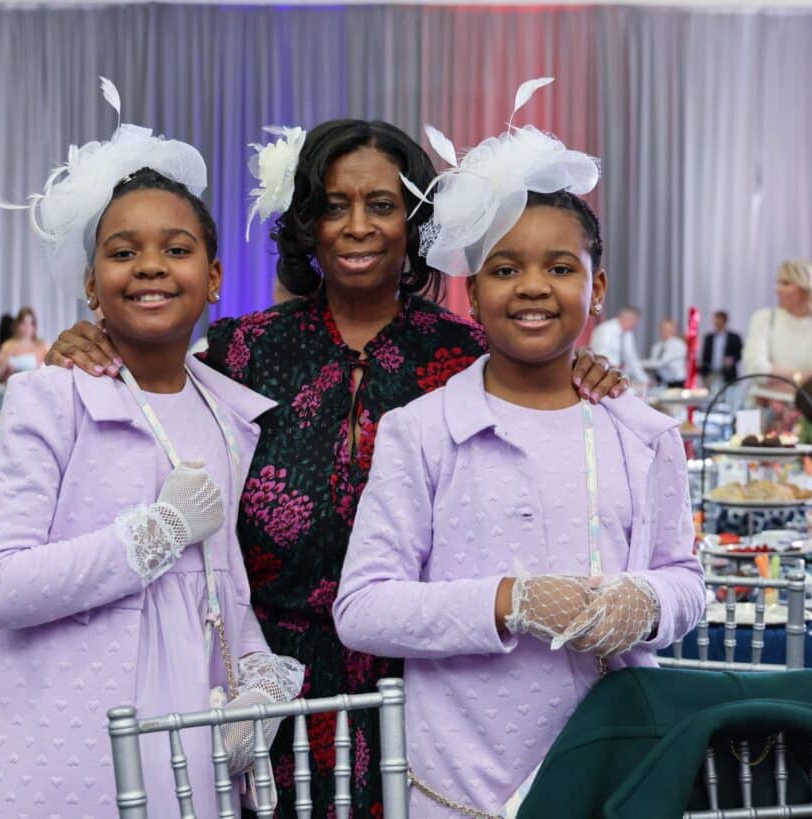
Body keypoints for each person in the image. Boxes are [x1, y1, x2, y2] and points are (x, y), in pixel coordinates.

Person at [47, 112, 629, 816]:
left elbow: (543, 392)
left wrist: (586, 367)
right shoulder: (242, 351)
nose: (357, 225)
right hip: (263, 692)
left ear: (414, 221)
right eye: (334, 205)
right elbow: (151, 416)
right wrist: (90, 342)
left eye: (381, 205)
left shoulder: (474, 354)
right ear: (307, 223)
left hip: (426, 691)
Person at [332, 81, 705, 818]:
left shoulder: (644, 432)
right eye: (505, 268)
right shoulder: (424, 430)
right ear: (472, 290)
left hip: (615, 772)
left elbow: (687, 580)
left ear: (597, 292)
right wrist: (512, 600)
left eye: (561, 268)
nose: (533, 286)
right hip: (459, 783)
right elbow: (363, 607)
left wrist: (648, 600)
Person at [0, 81, 303, 818]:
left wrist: (257, 674)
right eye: (123, 251)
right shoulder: (55, 397)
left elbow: (219, 579)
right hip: (57, 719)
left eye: (177, 249)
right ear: (92, 286)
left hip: (181, 718)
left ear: (215, 279)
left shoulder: (226, 414)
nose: (151, 266)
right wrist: (153, 532)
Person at [742, 260, 812, 398]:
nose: (777, 289)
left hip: (806, 415)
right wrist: (802, 376)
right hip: (755, 407)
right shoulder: (763, 318)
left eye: (785, 283)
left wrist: (771, 378)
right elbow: (755, 370)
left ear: (807, 289)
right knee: (745, 419)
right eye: (778, 282)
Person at [589, 306, 647, 384]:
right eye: (635, 321)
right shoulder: (606, 329)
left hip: (617, 376)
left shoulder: (628, 334)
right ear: (627, 318)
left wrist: (644, 380)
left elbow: (632, 359)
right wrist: (616, 366)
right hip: (601, 375)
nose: (635, 325)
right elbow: (601, 355)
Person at [0, 306, 48, 383]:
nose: (27, 328)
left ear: (34, 326)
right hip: (12, 387)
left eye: (30, 324)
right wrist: (7, 371)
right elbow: (0, 378)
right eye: (23, 323)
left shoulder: (42, 346)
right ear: (17, 325)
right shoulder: (8, 346)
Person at [699, 310, 742, 386]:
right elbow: (705, 356)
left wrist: (732, 360)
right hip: (711, 373)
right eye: (715, 320)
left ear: (725, 321)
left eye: (719, 320)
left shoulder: (734, 337)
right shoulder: (709, 338)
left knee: (729, 395)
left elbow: (741, 354)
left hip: (728, 374)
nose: (717, 322)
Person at [643, 318, 688, 387]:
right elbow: (653, 365)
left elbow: (660, 363)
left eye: (669, 329)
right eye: (663, 329)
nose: (666, 332)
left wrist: (637, 363)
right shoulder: (656, 347)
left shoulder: (679, 345)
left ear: (675, 331)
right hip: (662, 383)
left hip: (677, 383)